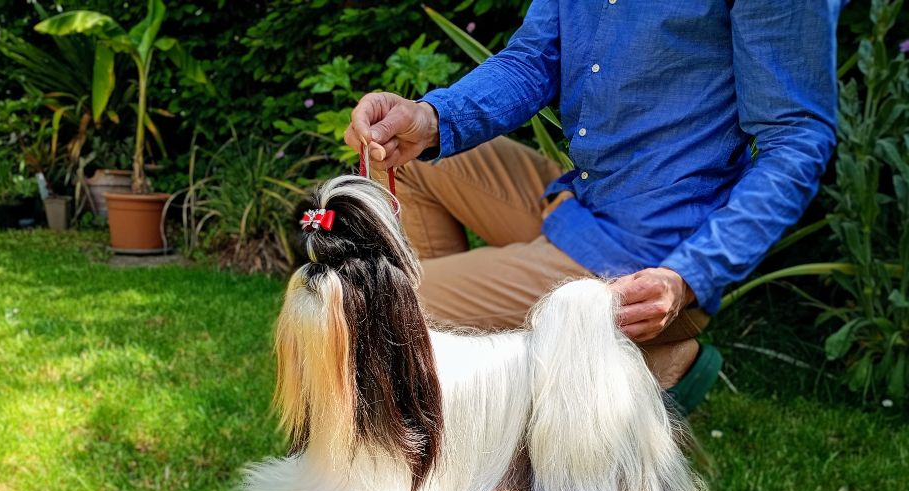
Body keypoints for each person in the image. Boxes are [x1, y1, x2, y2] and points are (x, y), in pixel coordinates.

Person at [344, 0, 842, 413]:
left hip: (650, 254)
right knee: (414, 159)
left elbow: (796, 139)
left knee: (371, 307)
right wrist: (429, 118)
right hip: (580, 204)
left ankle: (613, 373)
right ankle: (463, 390)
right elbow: (533, 59)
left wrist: (690, 276)